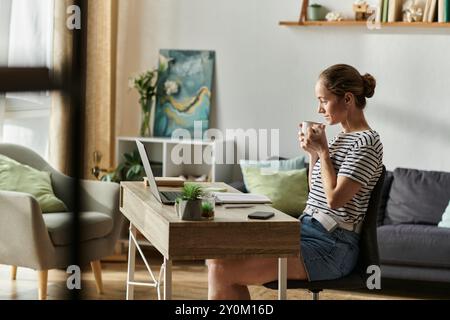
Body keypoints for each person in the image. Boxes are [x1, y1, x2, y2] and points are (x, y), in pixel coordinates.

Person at [207, 64, 384, 300]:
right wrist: (313, 154)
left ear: (348, 99)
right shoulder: (342, 138)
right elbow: (316, 194)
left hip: (332, 246)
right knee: (217, 258)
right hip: (305, 230)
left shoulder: (367, 143)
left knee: (222, 271)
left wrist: (323, 153)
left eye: (323, 100)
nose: (319, 108)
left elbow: (334, 199)